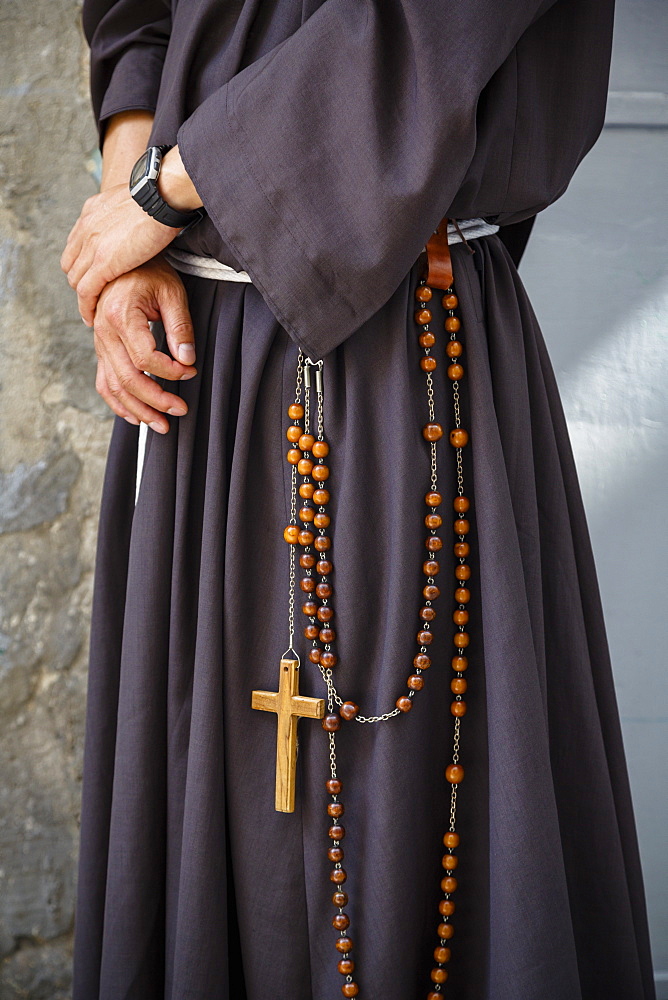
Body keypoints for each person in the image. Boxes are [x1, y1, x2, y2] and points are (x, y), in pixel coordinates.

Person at [61, 0, 658, 997]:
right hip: (194, 343)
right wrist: (127, 234)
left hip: (403, 354)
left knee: (415, 835)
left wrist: (165, 192)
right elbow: (138, 18)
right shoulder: (153, 218)